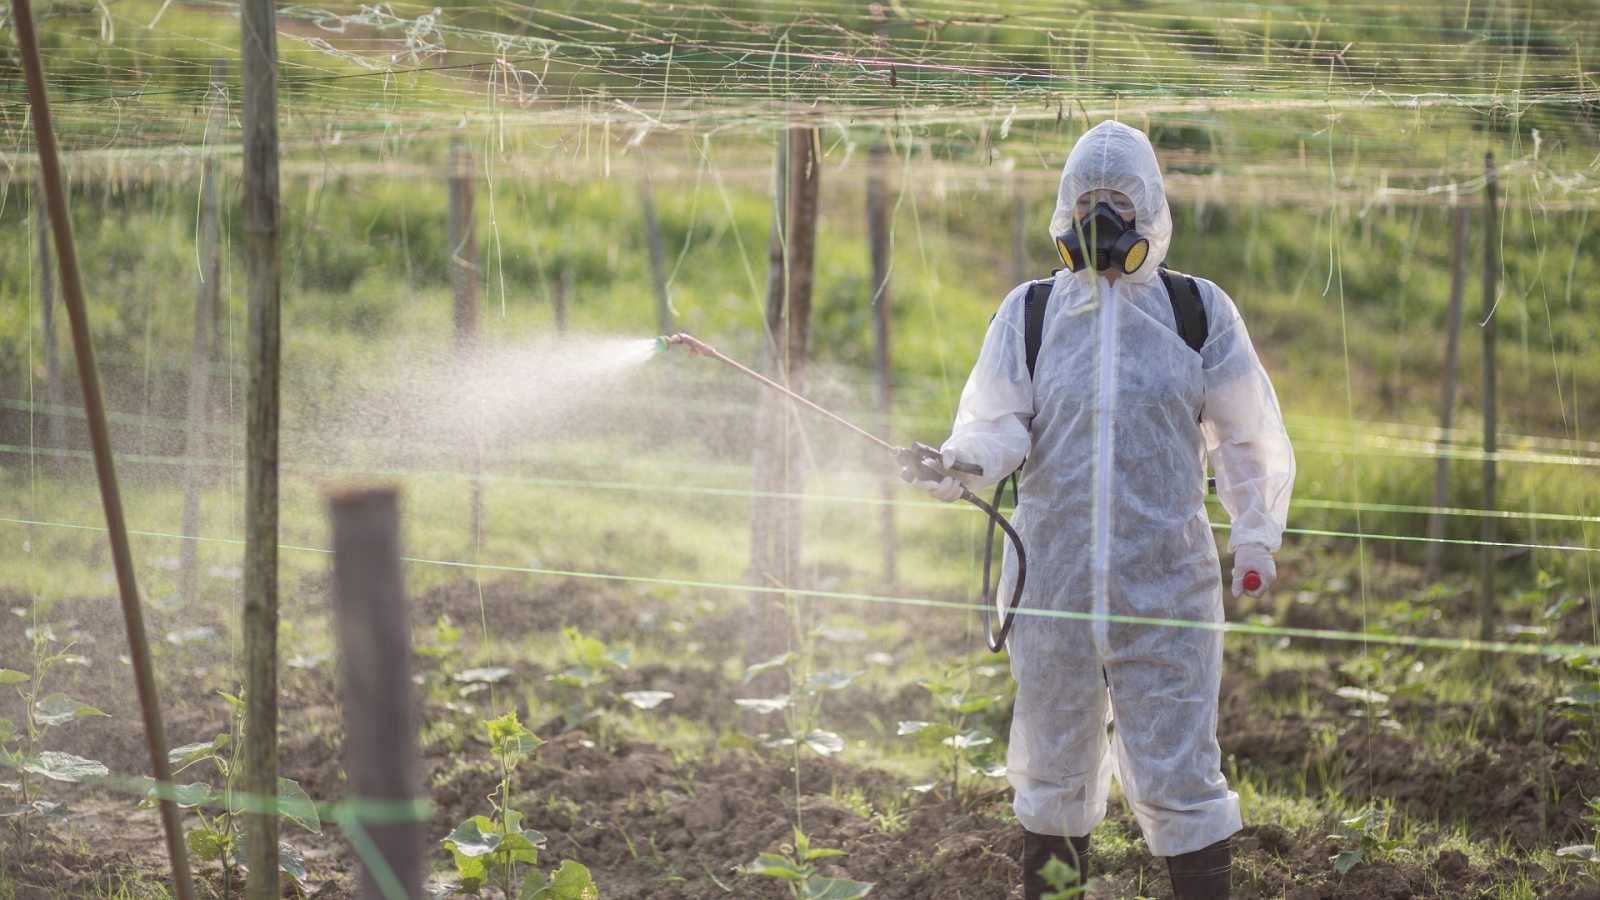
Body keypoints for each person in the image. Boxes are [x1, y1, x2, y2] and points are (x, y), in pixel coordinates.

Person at [914, 120, 1294, 900]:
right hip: (1051, 589)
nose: (1102, 219)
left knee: (1183, 773)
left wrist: (1254, 536)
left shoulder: (1197, 311)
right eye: (1087, 201)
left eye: (1118, 202)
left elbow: (1247, 435)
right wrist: (961, 464)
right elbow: (996, 423)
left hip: (1166, 591)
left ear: (1150, 211)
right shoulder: (1030, 313)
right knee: (1052, 778)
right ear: (1063, 212)